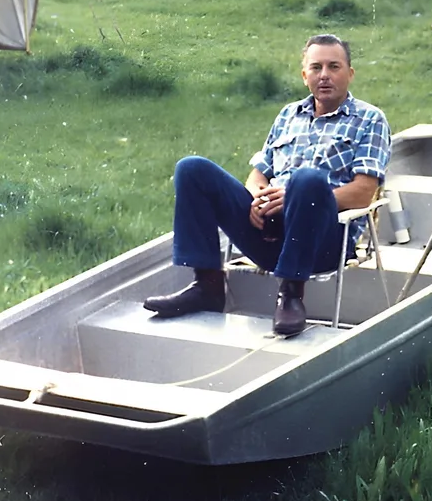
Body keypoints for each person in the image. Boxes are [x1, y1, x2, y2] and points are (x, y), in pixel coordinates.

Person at [142, 34, 390, 337]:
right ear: (304, 76)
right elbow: (259, 174)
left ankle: (291, 294)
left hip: (323, 241)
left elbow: (363, 191)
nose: (324, 75)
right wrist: (258, 197)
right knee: (192, 169)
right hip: (269, 233)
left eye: (333, 66)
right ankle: (207, 285)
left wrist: (294, 198)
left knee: (307, 180)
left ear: (349, 73)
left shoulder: (370, 119)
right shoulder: (288, 115)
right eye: (316, 67)